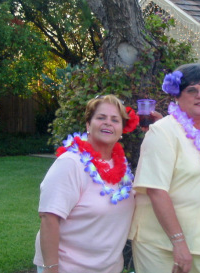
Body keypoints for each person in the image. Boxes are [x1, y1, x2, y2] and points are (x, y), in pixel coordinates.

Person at [129, 63, 200, 273]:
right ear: (176, 95)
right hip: (162, 244)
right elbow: (156, 190)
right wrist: (178, 242)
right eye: (192, 90)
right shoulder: (163, 131)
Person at [33, 95, 139, 273]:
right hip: (68, 268)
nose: (108, 123)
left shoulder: (122, 168)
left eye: (115, 120)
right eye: (101, 118)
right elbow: (49, 218)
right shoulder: (71, 164)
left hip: (110, 268)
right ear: (88, 125)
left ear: (122, 130)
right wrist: (51, 268)